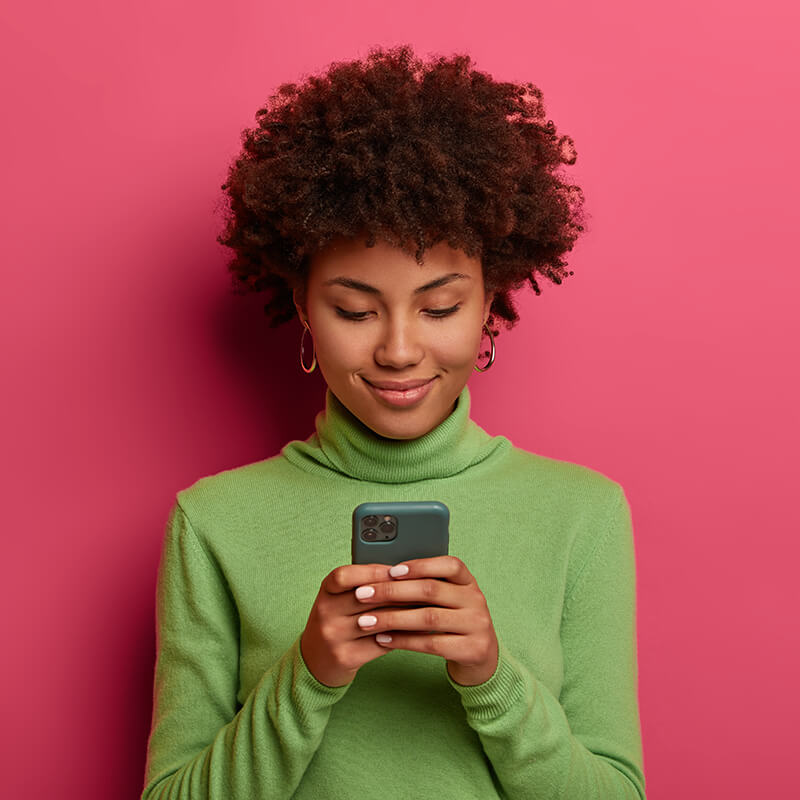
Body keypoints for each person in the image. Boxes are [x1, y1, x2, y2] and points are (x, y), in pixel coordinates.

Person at [141, 44, 646, 799]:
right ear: (303, 307)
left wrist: (491, 678)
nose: (400, 350)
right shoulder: (213, 523)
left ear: (491, 305)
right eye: (354, 309)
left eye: (440, 307)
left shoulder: (582, 514)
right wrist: (309, 672)